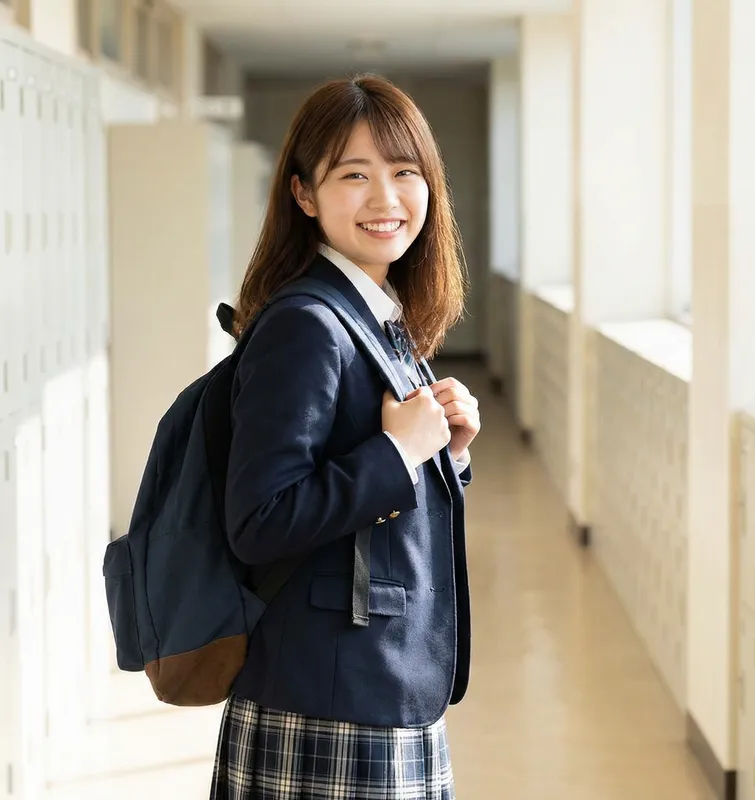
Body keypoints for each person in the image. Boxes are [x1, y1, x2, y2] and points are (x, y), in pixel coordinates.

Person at [211, 74, 481, 800]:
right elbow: (259, 522)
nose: (386, 200)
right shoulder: (308, 324)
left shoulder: (376, 312)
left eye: (404, 173)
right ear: (304, 195)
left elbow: (382, 506)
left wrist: (446, 452)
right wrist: (398, 453)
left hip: (380, 682)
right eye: (353, 175)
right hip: (330, 698)